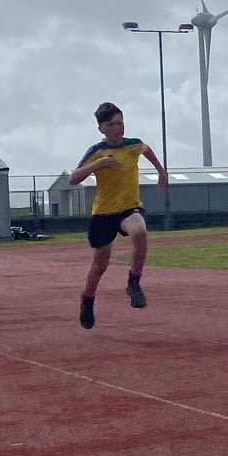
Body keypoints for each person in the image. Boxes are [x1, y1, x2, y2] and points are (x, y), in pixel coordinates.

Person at [67, 101, 167, 330]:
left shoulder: (134, 145)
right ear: (101, 128)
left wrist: (161, 172)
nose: (118, 128)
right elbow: (73, 178)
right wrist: (100, 164)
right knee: (99, 265)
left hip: (129, 208)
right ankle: (88, 299)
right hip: (104, 213)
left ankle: (134, 282)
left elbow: (147, 150)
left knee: (140, 231)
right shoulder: (97, 152)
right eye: (112, 124)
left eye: (120, 123)